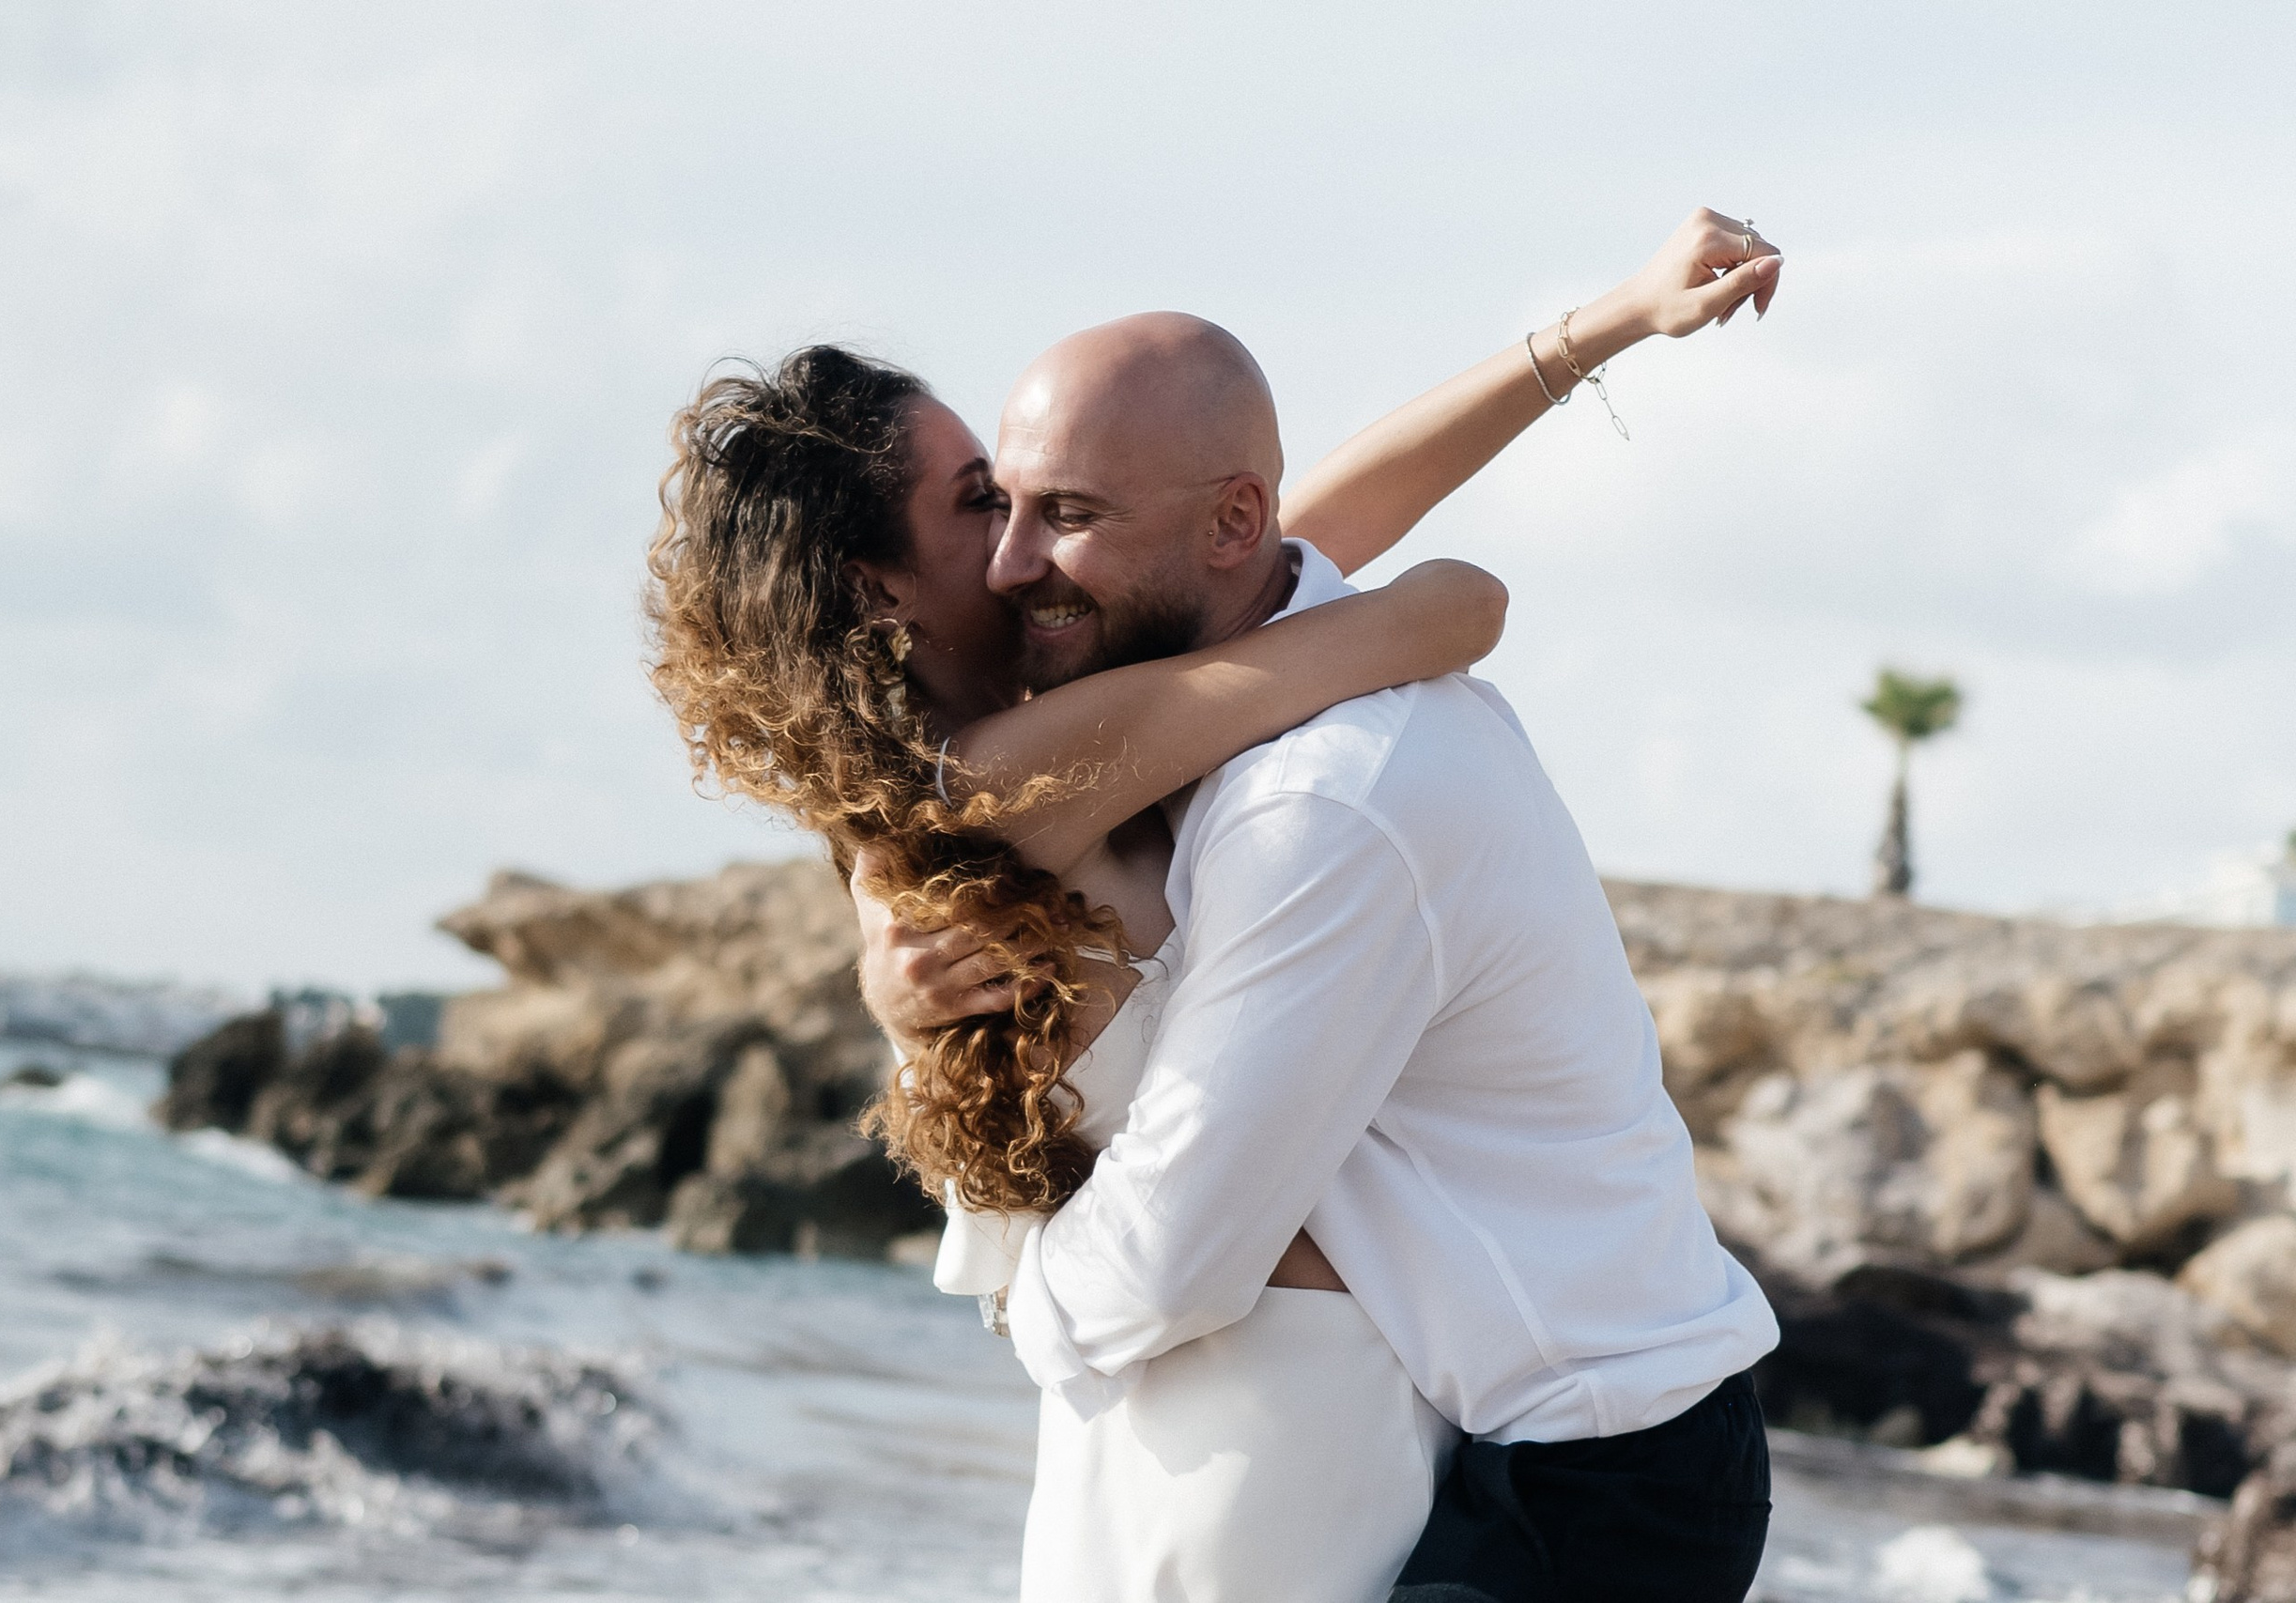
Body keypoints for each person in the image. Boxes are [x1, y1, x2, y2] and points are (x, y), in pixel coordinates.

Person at [646, 208, 1783, 1601]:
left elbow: (1288, 536)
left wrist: (1599, 326)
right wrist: (1415, 615)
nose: (1015, 546)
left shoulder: (1094, 716)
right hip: (1254, 1385)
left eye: (1036, 504)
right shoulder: (993, 791)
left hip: (1376, 1413)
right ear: (884, 594)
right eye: (981, 504)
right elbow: (1340, 612)